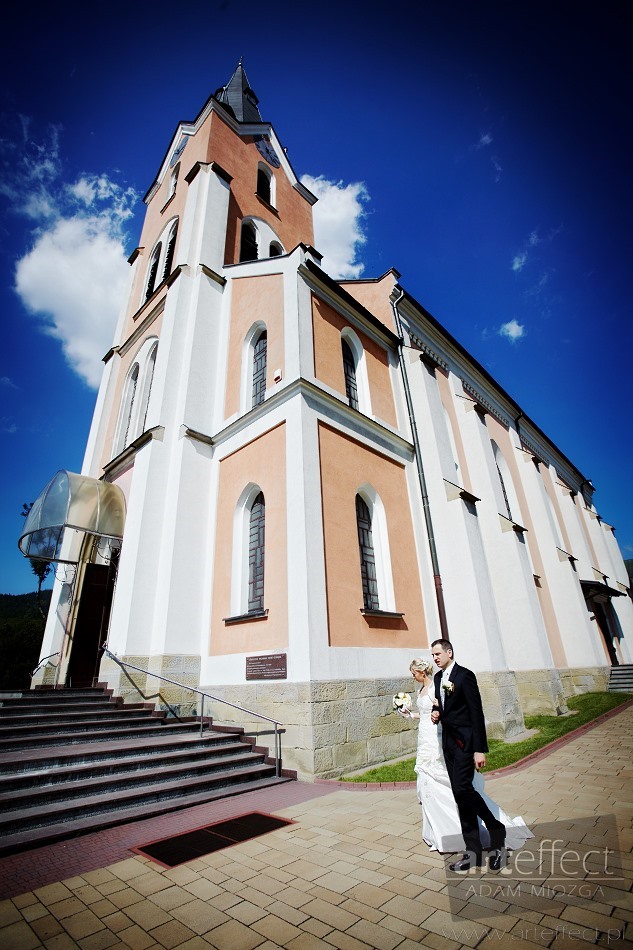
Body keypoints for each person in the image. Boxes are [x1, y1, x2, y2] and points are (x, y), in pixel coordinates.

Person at [401, 650, 532, 871]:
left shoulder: (464, 676)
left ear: (448, 653)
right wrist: (435, 712)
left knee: (463, 790)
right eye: (432, 654)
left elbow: (475, 713)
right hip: (444, 746)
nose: (435, 657)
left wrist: (479, 750)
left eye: (438, 653)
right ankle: (473, 852)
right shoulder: (440, 679)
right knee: (461, 797)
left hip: (462, 744)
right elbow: (441, 708)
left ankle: (495, 829)